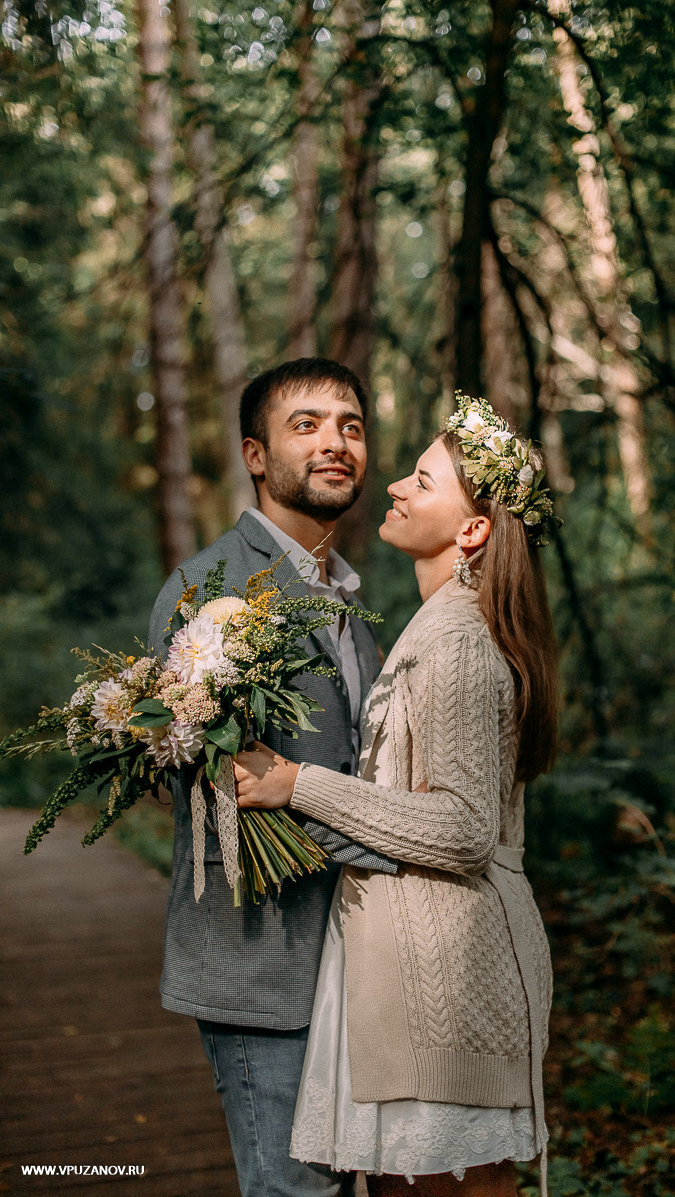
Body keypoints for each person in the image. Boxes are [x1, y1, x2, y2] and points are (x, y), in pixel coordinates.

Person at [233, 394, 560, 1196]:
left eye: (423, 480)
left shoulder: (454, 643)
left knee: (456, 1185)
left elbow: (461, 828)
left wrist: (295, 783)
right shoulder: (435, 627)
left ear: (473, 529)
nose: (397, 490)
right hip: (415, 959)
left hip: (445, 970)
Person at [148, 358, 398, 1197]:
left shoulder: (349, 603)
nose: (336, 442)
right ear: (256, 455)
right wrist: (388, 840)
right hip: (261, 960)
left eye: (351, 426)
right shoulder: (207, 590)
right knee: (293, 1189)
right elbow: (219, 778)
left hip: (352, 953)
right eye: (308, 425)